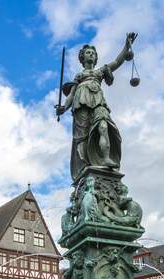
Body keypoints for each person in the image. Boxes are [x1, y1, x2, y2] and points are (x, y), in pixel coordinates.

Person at [56, 33, 137, 180]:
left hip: (98, 101)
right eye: (88, 53)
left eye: (93, 53)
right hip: (81, 103)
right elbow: (70, 95)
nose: (91, 55)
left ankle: (106, 158)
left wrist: (126, 46)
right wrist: (63, 108)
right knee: (83, 137)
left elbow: (117, 62)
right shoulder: (79, 76)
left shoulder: (100, 72)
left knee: (104, 126)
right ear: (82, 58)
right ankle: (85, 165)